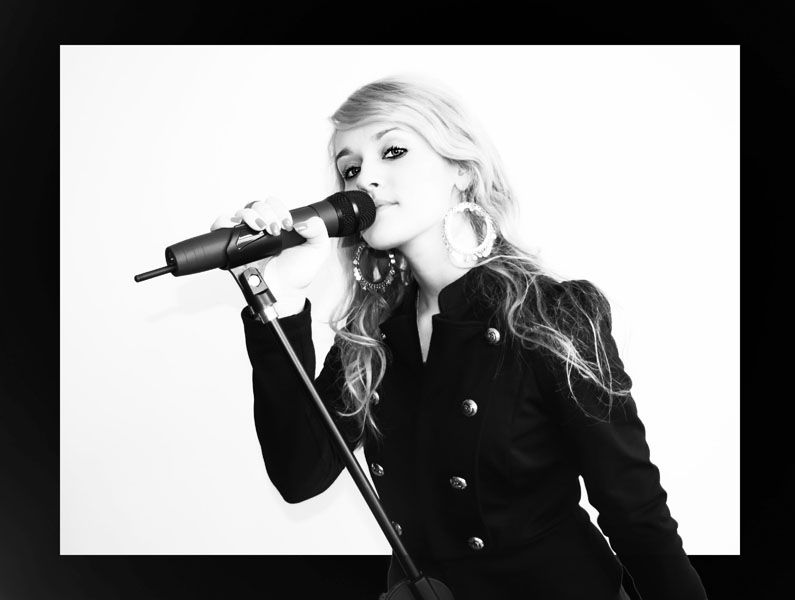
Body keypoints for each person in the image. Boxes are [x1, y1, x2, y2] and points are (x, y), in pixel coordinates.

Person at [210, 76, 708, 600]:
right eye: (350, 169)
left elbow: (636, 513)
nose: (364, 180)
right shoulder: (370, 335)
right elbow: (299, 475)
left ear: (463, 171)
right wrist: (280, 298)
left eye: (393, 151)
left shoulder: (551, 314)